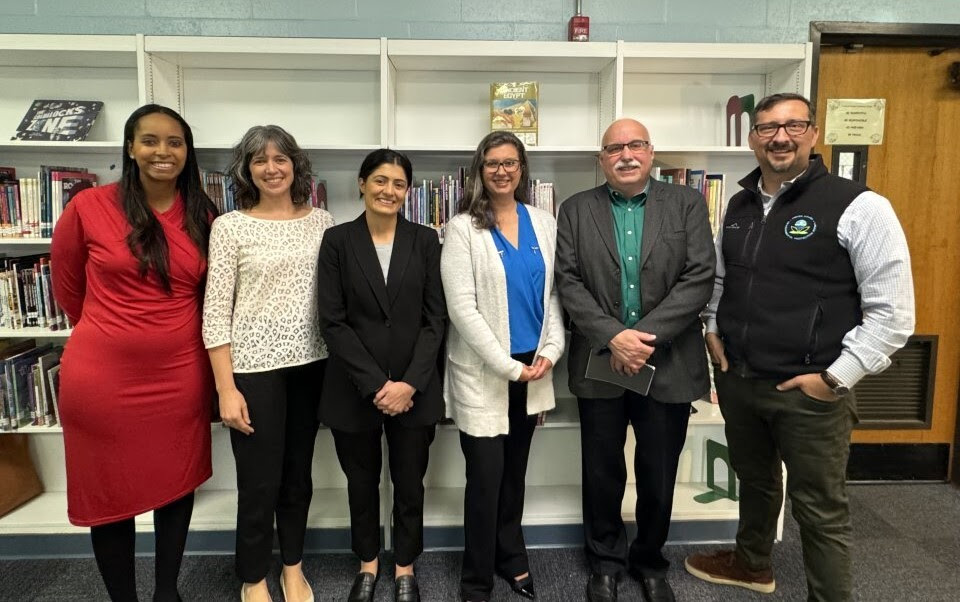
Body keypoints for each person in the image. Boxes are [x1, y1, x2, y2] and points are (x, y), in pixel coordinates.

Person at [684, 93, 915, 602]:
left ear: (813, 134)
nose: (780, 137)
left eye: (793, 126)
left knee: (820, 508)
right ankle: (751, 564)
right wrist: (712, 328)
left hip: (811, 391)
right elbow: (724, 277)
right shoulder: (740, 206)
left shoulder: (859, 206)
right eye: (767, 128)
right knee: (757, 483)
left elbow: (893, 314)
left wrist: (834, 379)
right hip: (742, 378)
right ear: (752, 139)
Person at [51, 104, 219, 602]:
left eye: (174, 142)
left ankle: (168, 592)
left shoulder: (205, 215)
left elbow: (209, 293)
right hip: (102, 379)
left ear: (187, 152)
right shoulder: (88, 207)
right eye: (149, 141)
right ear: (130, 148)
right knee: (110, 497)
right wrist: (116, 333)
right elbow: (67, 289)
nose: (162, 151)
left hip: (181, 374)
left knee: (177, 484)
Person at [554, 118, 716, 602]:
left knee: (658, 470)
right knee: (602, 470)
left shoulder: (686, 204)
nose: (626, 154)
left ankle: (649, 560)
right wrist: (613, 338)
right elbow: (568, 282)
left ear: (651, 153)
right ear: (601, 159)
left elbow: (699, 278)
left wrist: (640, 338)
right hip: (600, 361)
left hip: (667, 362)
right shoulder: (576, 208)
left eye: (636, 145)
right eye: (614, 148)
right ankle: (604, 561)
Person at [202, 125, 335, 602]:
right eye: (260, 160)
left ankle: (293, 568)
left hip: (312, 365)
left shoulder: (322, 221)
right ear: (247, 169)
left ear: (296, 165)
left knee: (298, 476)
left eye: (281, 158)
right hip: (252, 370)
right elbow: (215, 311)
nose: (272, 168)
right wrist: (225, 388)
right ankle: (253, 575)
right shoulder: (230, 226)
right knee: (259, 481)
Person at [441, 131, 566, 602]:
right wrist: (507, 367)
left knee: (515, 473)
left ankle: (511, 557)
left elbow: (552, 294)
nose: (501, 170)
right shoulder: (461, 229)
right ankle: (475, 577)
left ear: (522, 169)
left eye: (510, 162)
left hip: (534, 368)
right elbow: (462, 309)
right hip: (484, 372)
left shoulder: (543, 222)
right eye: (492, 163)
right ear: (480, 169)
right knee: (486, 477)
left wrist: (550, 351)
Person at [317, 149, 446, 602]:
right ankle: (368, 563)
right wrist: (377, 385)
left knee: (410, 483)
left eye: (398, 183)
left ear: (407, 192)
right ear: (361, 183)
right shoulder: (337, 241)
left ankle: (406, 567)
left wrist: (409, 383)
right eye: (379, 180)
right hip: (355, 390)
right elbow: (332, 321)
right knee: (361, 481)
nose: (388, 190)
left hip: (415, 390)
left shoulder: (426, 241)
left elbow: (436, 321)